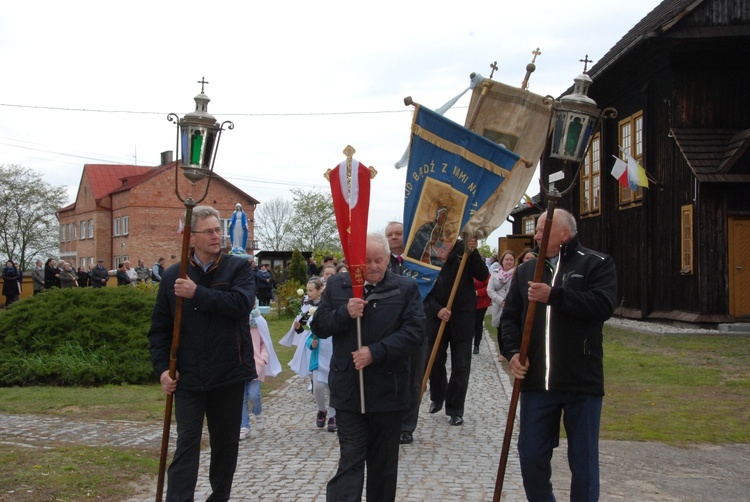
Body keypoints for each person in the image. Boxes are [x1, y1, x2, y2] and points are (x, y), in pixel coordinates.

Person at [501, 209, 617, 502]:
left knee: (584, 462)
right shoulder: (526, 272)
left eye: (542, 230)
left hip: (581, 381)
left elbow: (602, 305)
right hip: (537, 382)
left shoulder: (597, 263)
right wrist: (513, 353)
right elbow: (510, 319)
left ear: (565, 233)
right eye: (537, 231)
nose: (536, 235)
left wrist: (554, 296)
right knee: (531, 456)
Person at [148, 205, 256, 501]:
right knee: (186, 446)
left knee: (224, 449)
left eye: (218, 230)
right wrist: (162, 370)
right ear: (190, 237)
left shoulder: (238, 268)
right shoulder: (173, 276)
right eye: (209, 231)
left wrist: (198, 293)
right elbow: (160, 330)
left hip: (229, 373)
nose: (216, 236)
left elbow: (240, 304)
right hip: (189, 377)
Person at [311, 233, 425, 501]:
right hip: (349, 390)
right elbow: (319, 326)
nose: (373, 267)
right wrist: (344, 313)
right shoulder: (338, 285)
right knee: (350, 460)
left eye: (378, 260)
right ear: (354, 262)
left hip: (389, 391)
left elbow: (415, 332)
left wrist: (376, 352)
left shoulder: (405, 288)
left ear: (388, 259)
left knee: (383, 467)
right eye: (366, 262)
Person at [424, 237, 487, 426]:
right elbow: (422, 288)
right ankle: (438, 395)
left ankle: (455, 408)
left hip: (462, 317)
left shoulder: (465, 248)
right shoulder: (429, 249)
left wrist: (473, 252)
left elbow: (482, 274)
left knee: (461, 366)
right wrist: (437, 309)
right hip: (437, 316)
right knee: (434, 360)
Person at [386, 221, 426, 445]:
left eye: (398, 233)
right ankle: (391, 422)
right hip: (390, 331)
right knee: (391, 379)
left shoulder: (421, 262)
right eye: (390, 234)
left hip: (416, 330)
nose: (394, 237)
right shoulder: (382, 264)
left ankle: (407, 426)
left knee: (413, 381)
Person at [286, 278, 336, 431]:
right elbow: (303, 330)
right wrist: (298, 328)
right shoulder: (309, 309)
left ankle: (334, 415)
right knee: (318, 385)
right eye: (307, 291)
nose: (308, 294)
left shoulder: (331, 306)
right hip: (317, 350)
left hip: (332, 348)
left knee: (333, 385)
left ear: (320, 290)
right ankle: (321, 409)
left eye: (311, 290)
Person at [240, 304, 281, 441]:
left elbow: (265, 343)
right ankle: (244, 425)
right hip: (240, 365)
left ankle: (258, 412)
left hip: (255, 364)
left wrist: (263, 358)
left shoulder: (257, 322)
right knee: (242, 397)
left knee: (254, 394)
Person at [488, 250, 516, 360]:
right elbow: (490, 290)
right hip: (499, 304)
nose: (509, 261)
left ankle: (510, 352)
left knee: (510, 328)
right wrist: (501, 301)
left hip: (512, 304)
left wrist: (509, 302)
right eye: (507, 259)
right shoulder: (495, 273)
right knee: (500, 329)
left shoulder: (517, 273)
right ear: (502, 261)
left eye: (511, 260)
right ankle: (503, 352)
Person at [473, 273, 491, 355]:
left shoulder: (485, 274)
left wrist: (477, 292)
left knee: (478, 324)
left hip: (481, 302)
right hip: (468, 302)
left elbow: (489, 287)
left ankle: (476, 345)